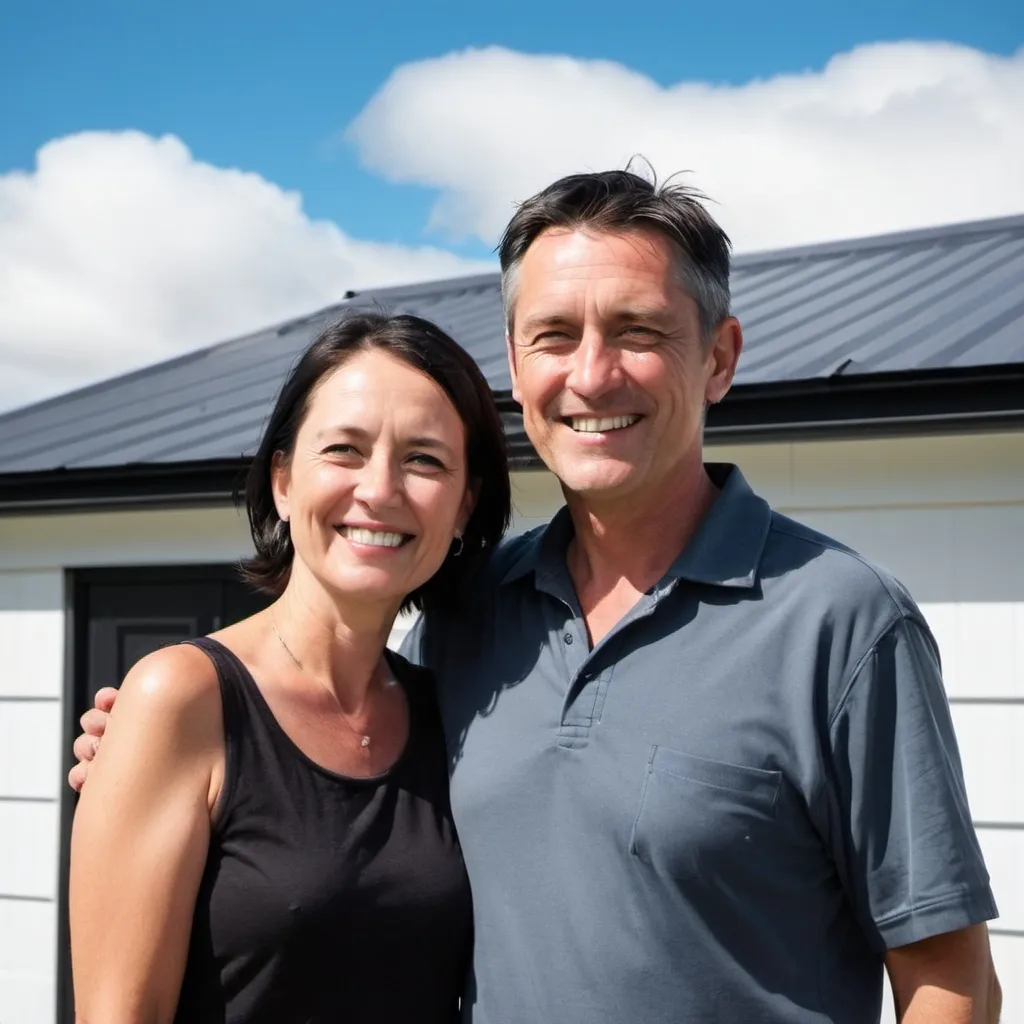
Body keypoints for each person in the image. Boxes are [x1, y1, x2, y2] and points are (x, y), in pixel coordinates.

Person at [72, 170, 1001, 1022]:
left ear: (719, 359)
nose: (592, 375)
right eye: (555, 336)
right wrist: (156, 751)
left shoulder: (841, 622)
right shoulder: (474, 613)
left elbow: (951, 982)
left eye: (638, 331)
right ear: (516, 370)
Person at [67, 312, 511, 1023]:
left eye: (424, 459)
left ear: (464, 507)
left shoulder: (449, 713)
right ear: (282, 481)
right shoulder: (182, 698)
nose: (381, 488)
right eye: (345, 450)